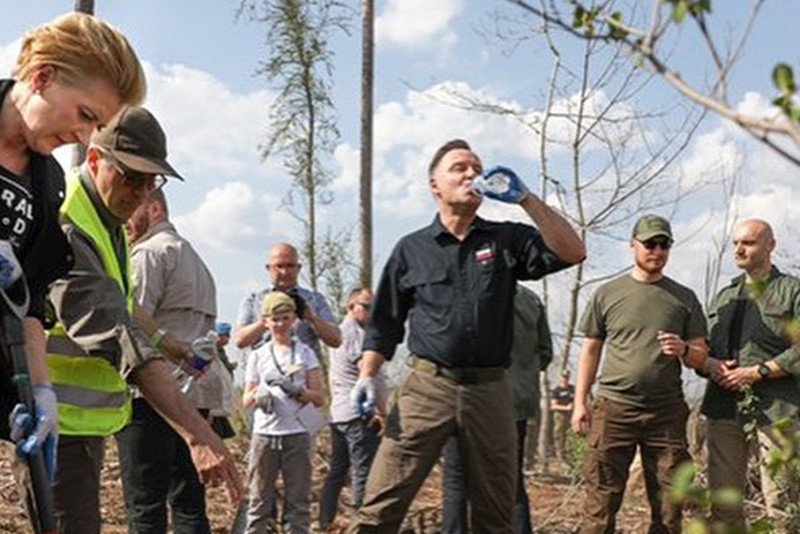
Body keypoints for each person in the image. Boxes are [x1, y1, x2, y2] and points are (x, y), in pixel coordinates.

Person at [350, 138, 585, 532]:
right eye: (459, 167)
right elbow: (384, 324)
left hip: (491, 390)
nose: (472, 174)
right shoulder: (412, 249)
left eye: (476, 168)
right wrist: (366, 376)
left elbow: (573, 251)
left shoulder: (506, 239)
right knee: (380, 506)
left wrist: (527, 199)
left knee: (496, 512)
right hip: (427, 387)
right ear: (434, 184)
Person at [46, 106, 242, 534]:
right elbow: (117, 332)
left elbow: (127, 305)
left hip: (81, 422)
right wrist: (195, 434)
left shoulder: (109, 224)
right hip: (54, 421)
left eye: (152, 180)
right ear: (95, 161)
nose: (142, 191)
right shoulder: (69, 226)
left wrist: (173, 348)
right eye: (131, 177)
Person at [0, 12, 145, 500]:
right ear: (42, 77)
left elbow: (32, 304)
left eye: (98, 125)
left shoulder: (47, 187)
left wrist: (43, 394)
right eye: (85, 115)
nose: (85, 138)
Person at [571, 214, 708, 534]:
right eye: (649, 244)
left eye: (664, 244)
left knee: (669, 505)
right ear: (632, 245)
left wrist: (684, 349)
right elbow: (590, 351)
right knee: (600, 501)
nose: (656, 251)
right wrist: (580, 403)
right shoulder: (608, 293)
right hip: (614, 409)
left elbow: (700, 357)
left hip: (666, 412)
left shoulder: (684, 298)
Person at [116, 189, 225, 532]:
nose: (124, 221)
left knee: (146, 506)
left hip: (153, 398)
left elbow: (131, 325)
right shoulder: (196, 261)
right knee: (189, 504)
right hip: (195, 401)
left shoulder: (148, 254)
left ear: (154, 208)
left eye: (131, 209)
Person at [701, 219, 800, 531]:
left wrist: (757, 372)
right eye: (735, 243)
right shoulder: (724, 297)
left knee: (782, 506)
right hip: (724, 409)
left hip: (777, 411)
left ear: (770, 245)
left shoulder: (792, 291)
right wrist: (709, 364)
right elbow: (703, 349)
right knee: (723, 504)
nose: (739, 250)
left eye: (749, 243)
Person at [442, 284, 554, 534]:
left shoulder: (462, 292)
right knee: (510, 480)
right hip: (515, 403)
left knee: (457, 478)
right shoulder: (530, 300)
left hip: (467, 399)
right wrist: (521, 373)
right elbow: (545, 354)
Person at [242, 291, 325, 534]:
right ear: (265, 321)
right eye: (274, 319)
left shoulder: (305, 353)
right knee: (258, 499)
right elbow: (246, 398)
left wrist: (299, 391)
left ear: (294, 320)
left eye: (285, 317)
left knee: (298, 501)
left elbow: (319, 397)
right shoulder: (258, 355)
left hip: (297, 434)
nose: (280, 324)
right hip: (265, 435)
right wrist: (258, 396)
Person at [319, 287, 386, 530]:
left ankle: (325, 521)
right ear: (351, 307)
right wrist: (382, 411)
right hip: (359, 414)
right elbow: (369, 375)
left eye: (373, 308)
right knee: (364, 471)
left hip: (340, 413)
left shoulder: (340, 331)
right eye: (366, 306)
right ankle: (362, 524)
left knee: (338, 470)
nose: (371, 312)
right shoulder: (354, 333)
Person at [233, 242, 341, 354]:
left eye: (290, 266)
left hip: (304, 367)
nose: (284, 272)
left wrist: (312, 318)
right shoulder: (254, 300)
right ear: (268, 268)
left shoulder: (314, 299)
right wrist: (267, 320)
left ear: (298, 268)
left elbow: (336, 341)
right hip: (266, 367)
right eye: (279, 266)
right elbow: (240, 341)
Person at [551, 369, 575, 461]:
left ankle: (570, 454)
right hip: (560, 415)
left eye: (567, 377)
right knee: (560, 434)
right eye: (564, 377)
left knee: (570, 434)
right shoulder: (557, 390)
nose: (565, 379)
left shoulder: (572, 388)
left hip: (571, 415)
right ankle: (560, 455)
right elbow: (553, 405)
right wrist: (566, 408)